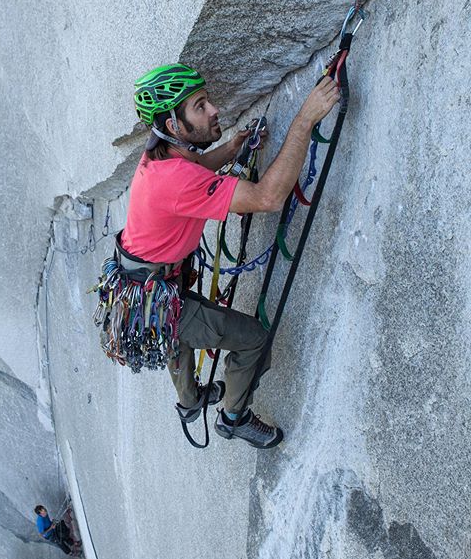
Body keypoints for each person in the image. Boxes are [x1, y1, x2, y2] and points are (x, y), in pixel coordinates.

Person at [119, 63, 339, 449]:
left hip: (143, 284)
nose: (214, 109)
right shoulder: (174, 179)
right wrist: (304, 120)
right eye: (200, 106)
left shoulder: (160, 156)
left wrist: (231, 149)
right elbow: (268, 198)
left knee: (175, 336)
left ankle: (190, 402)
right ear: (174, 125)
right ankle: (234, 418)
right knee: (254, 340)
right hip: (158, 290)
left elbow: (195, 167)